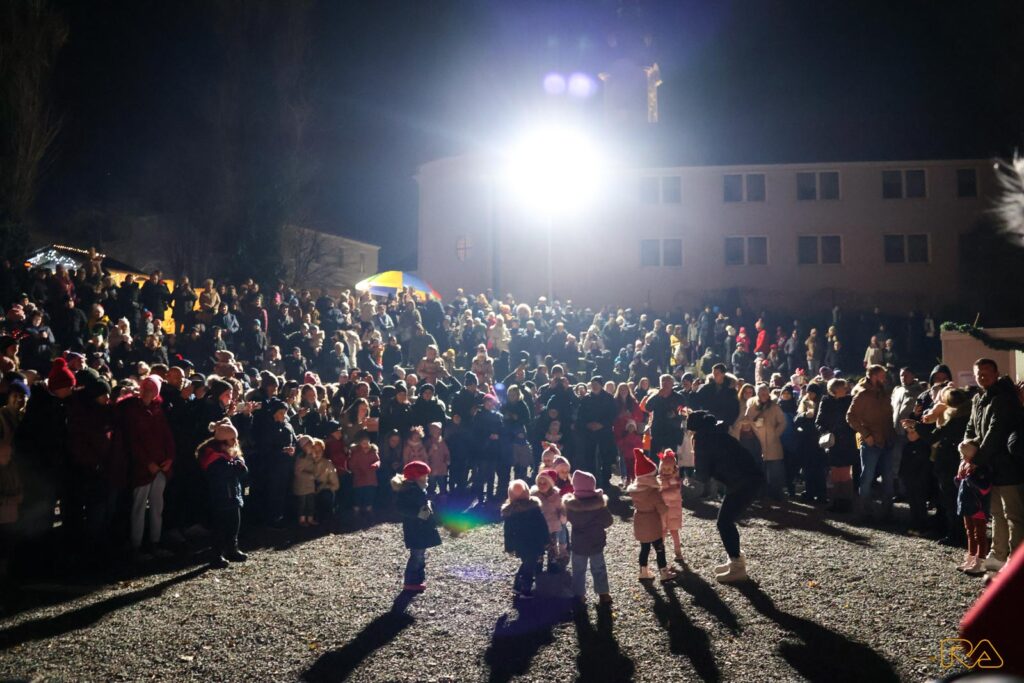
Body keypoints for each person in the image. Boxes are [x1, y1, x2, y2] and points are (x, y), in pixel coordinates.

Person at [687, 410, 764, 583]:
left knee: (724, 522)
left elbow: (702, 475)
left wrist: (687, 479)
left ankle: (737, 565)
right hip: (750, 478)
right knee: (726, 521)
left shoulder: (703, 439)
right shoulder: (719, 433)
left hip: (741, 483)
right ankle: (735, 558)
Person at [962, 358, 1024, 573]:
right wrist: (966, 451)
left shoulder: (1003, 398)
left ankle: (1015, 559)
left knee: (1013, 514)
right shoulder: (979, 398)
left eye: (987, 372)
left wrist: (975, 459)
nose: (982, 377)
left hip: (1007, 464)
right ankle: (998, 554)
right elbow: (971, 427)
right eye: (979, 373)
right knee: (996, 512)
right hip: (991, 465)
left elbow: (995, 432)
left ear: (996, 374)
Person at [118, 375, 176, 561]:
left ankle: (154, 542)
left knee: (157, 506)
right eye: (144, 387)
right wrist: (147, 462)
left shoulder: (158, 411)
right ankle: (136, 545)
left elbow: (167, 436)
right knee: (139, 507)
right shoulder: (132, 410)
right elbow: (132, 440)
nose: (146, 391)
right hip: (142, 468)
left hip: (159, 467)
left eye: (151, 388)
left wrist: (169, 458)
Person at [846, 364, 896, 522]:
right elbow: (850, 417)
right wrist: (866, 434)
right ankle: (864, 511)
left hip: (887, 440)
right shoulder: (862, 395)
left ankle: (887, 511)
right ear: (874, 376)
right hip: (871, 442)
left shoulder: (884, 393)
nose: (885, 378)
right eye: (882, 375)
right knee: (867, 477)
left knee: (888, 477)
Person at [197, 419, 248, 567]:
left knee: (234, 525)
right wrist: (236, 465)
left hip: (232, 495)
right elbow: (232, 471)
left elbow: (241, 471)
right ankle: (216, 555)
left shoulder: (228, 456)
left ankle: (232, 549)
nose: (236, 442)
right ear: (224, 441)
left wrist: (236, 465)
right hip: (221, 497)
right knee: (220, 527)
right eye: (233, 439)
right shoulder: (213, 457)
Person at [563, 469, 613, 607]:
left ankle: (579, 594)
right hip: (596, 542)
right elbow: (608, 521)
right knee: (599, 568)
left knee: (578, 570)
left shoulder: (571, 506)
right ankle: (603, 593)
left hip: (578, 544)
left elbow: (566, 519)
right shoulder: (599, 505)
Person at [627, 448, 678, 584]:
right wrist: (667, 508)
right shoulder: (653, 492)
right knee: (659, 548)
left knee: (644, 548)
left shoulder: (635, 492)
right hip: (652, 523)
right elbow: (661, 508)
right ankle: (663, 572)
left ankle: (643, 571)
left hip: (639, 521)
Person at [392, 460, 441, 592]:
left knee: (420, 554)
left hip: (420, 527)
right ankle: (411, 581)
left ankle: (418, 579)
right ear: (416, 477)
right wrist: (417, 513)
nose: (427, 478)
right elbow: (401, 508)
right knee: (416, 555)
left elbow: (422, 501)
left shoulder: (419, 488)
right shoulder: (408, 491)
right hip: (415, 528)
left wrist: (428, 505)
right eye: (425, 475)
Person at [501, 479, 550, 599]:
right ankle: (525, 589)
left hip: (520, 544)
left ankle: (518, 585)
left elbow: (508, 532)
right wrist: (546, 540)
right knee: (529, 566)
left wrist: (509, 546)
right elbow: (542, 526)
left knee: (527, 563)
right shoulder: (534, 508)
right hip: (534, 542)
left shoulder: (511, 512)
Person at [815, 379, 857, 513]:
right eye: (842, 387)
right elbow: (819, 422)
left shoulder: (850, 400)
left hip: (847, 441)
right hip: (832, 442)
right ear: (835, 389)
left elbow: (855, 419)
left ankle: (846, 501)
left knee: (845, 473)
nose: (845, 389)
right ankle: (835, 501)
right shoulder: (826, 401)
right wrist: (826, 433)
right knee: (834, 473)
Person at [955, 444, 991, 576]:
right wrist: (959, 478)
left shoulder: (981, 469)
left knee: (979, 534)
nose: (964, 457)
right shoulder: (965, 466)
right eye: (962, 455)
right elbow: (960, 485)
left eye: (966, 455)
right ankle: (971, 556)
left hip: (977, 506)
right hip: (967, 504)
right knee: (970, 531)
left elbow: (985, 489)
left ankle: (980, 560)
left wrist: (969, 478)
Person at [532, 468, 567, 571]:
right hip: (538, 527)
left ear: (550, 484)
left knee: (552, 546)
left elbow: (560, 508)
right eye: (540, 483)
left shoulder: (556, 496)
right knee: (538, 545)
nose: (542, 485)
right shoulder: (534, 495)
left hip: (552, 526)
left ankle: (552, 563)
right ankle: (538, 562)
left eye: (545, 483)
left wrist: (562, 515)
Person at [659, 449, 684, 563]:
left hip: (673, 511)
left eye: (668, 469)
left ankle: (678, 552)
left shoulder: (675, 480)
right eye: (664, 469)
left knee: (674, 532)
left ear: (674, 469)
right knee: (662, 532)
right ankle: (660, 552)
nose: (666, 471)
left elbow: (674, 494)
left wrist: (662, 491)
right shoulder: (659, 479)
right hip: (662, 511)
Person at [349, 430, 380, 515]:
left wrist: (375, 465)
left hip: (370, 477)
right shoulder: (356, 453)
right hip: (360, 478)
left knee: (370, 493)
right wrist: (357, 471)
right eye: (364, 443)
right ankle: (357, 508)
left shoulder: (373, 452)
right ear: (359, 444)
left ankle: (368, 507)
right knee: (358, 493)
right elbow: (352, 465)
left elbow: (377, 460)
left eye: (367, 443)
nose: (366, 445)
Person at [424, 422, 450, 496]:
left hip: (441, 467)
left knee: (442, 482)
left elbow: (446, 452)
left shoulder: (442, 441)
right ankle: (432, 495)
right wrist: (431, 451)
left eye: (437, 430)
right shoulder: (428, 442)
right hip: (431, 467)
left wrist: (447, 459)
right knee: (432, 483)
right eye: (434, 430)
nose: (436, 432)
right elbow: (425, 455)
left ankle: (443, 495)